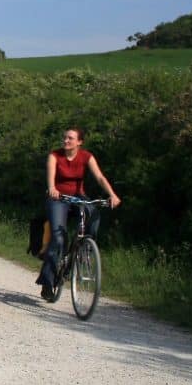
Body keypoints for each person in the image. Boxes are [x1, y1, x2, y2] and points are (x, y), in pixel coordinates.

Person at [37, 127, 121, 298]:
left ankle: (85, 250)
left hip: (78, 197)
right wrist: (52, 188)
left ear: (79, 142)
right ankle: (47, 282)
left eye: (70, 138)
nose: (66, 140)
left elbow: (99, 177)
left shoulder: (86, 157)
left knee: (94, 214)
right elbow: (51, 176)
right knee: (58, 238)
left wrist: (112, 195)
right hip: (58, 198)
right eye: (65, 137)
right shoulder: (54, 156)